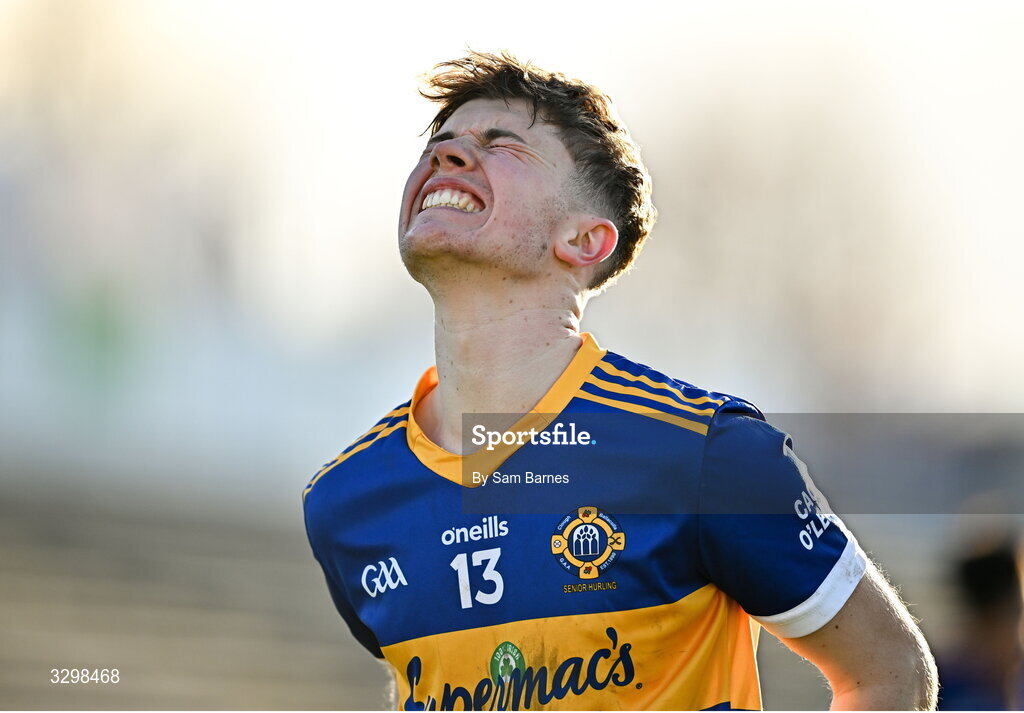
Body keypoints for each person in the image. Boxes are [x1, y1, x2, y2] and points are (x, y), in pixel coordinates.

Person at [302, 51, 937, 710]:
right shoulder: (346, 501)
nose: (449, 157)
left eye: (501, 144)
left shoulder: (704, 452)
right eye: (440, 144)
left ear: (585, 240)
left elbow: (888, 670)